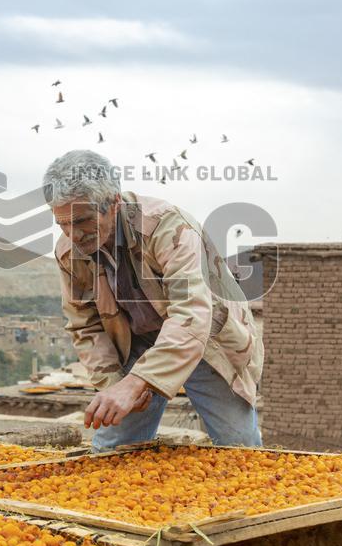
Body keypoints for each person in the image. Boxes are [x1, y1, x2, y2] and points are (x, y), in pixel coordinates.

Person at [44, 150, 263, 451]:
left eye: (82, 221)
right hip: (138, 342)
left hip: (204, 339)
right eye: (62, 225)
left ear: (114, 203)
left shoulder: (168, 227)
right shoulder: (70, 251)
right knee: (112, 452)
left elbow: (191, 315)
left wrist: (138, 382)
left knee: (240, 449)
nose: (73, 234)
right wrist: (115, 386)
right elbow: (85, 326)